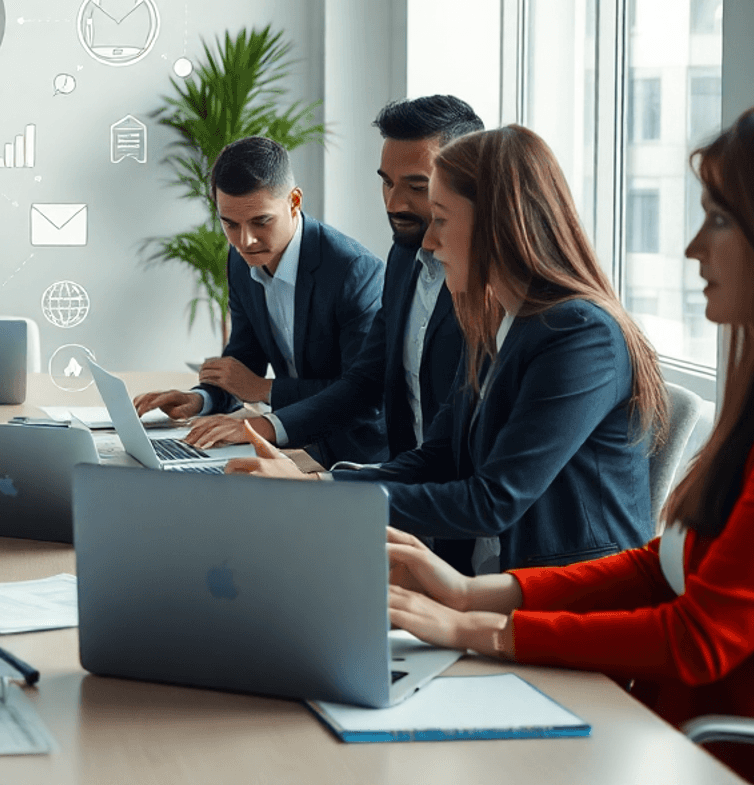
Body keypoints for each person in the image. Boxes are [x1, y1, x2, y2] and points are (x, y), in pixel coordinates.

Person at [384, 100, 754, 785]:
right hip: (661, 719)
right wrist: (470, 595)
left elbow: (698, 638)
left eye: (722, 219)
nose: (693, 247)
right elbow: (657, 569)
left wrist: (481, 628)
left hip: (713, 752)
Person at [231, 125, 661, 573]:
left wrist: (319, 494)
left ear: (498, 226)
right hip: (488, 578)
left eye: (441, 219)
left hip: (564, 603)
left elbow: (492, 501)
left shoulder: (581, 337)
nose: (430, 243)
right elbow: (437, 457)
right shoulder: (493, 321)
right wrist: (319, 482)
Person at [216, 97, 481, 465]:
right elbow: (366, 383)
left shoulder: (498, 289)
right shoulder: (404, 258)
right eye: (387, 183)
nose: (393, 204)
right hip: (402, 480)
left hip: (429, 488)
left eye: (417, 188)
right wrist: (265, 426)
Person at [134, 136, 387, 465]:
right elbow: (243, 361)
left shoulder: (354, 271)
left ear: (294, 202)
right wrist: (200, 400)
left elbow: (362, 395)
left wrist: (265, 393)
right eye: (230, 224)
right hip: (290, 446)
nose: (245, 240)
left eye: (261, 221)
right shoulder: (241, 261)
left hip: (358, 455)